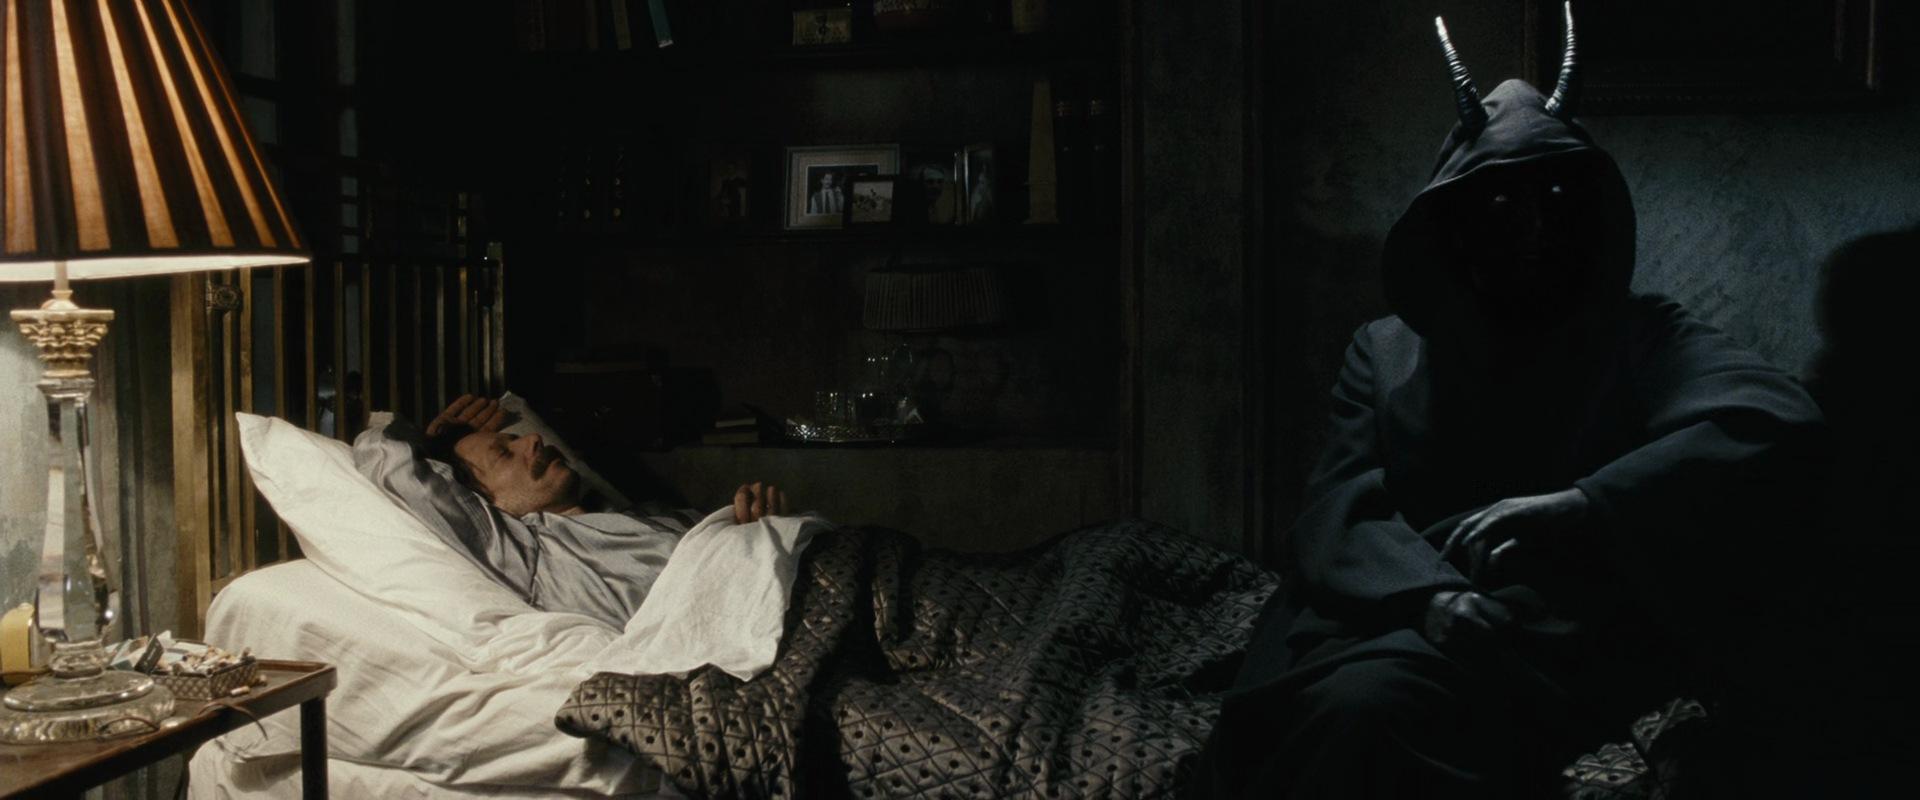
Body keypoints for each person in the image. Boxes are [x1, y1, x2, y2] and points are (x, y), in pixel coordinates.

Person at [1193, 11, 1828, 799]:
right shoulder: (1385, 350)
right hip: (1392, 607)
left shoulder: (1640, 335)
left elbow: (1778, 420)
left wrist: (1583, 505)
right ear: (1455, 222)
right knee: (1317, 711)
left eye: (1556, 197)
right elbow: (1339, 508)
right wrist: (1429, 598)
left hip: (1537, 625)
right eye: (1500, 201)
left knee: (1370, 710)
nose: (1533, 228)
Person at [423, 393, 787, 525]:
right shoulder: (555, 560)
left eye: (516, 438)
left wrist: (750, 528)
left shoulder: (641, 515)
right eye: (504, 453)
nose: (533, 438)